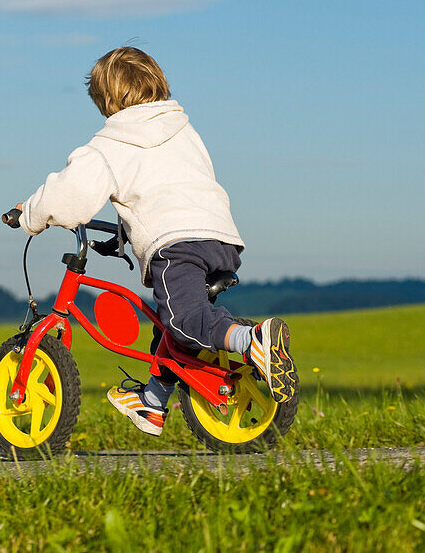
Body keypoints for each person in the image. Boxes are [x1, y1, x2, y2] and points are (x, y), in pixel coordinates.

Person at [15, 46, 293, 436]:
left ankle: (252, 341)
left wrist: (29, 213)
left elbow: (69, 196)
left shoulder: (111, 144)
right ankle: (153, 404)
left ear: (105, 100)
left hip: (175, 245)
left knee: (183, 322)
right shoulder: (181, 129)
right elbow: (167, 189)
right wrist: (125, 234)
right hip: (220, 239)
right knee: (169, 324)